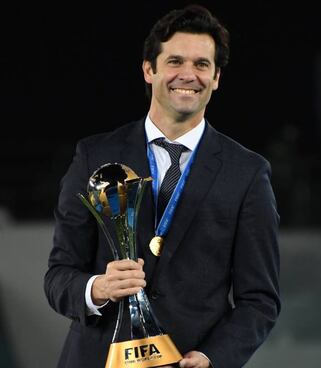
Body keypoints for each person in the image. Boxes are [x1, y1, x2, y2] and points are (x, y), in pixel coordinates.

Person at [44, 4, 281, 368]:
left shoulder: (247, 173)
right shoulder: (93, 155)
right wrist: (98, 289)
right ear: (149, 70)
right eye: (175, 62)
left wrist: (212, 356)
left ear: (216, 77)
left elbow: (260, 300)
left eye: (202, 65)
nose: (188, 74)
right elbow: (59, 275)